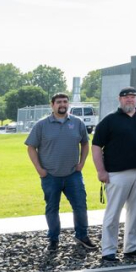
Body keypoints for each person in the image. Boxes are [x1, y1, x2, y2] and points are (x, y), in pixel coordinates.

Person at [25, 92, 95, 251]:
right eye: (59, 102)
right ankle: (53, 239)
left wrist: (81, 163)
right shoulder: (42, 124)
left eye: (65, 101)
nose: (62, 104)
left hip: (73, 175)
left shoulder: (77, 123)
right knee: (52, 208)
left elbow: (85, 143)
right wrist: (40, 169)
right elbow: (31, 147)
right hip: (50, 176)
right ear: (52, 105)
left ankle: (82, 235)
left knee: (80, 206)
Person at [91, 86, 136, 263]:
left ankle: (131, 247)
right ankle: (108, 250)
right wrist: (101, 171)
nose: (130, 100)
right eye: (126, 97)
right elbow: (96, 146)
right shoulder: (110, 120)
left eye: (133, 97)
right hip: (116, 174)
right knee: (113, 213)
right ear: (119, 99)